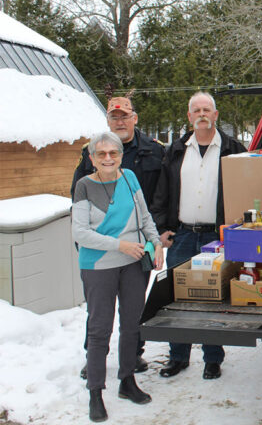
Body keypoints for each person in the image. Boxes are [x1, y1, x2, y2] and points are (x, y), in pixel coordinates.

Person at [151, 91, 246, 380]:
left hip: (215, 238)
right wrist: (161, 228)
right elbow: (161, 194)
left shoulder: (233, 149)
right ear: (189, 116)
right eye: (196, 110)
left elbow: (242, 190)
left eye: (207, 109)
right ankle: (178, 357)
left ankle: (213, 359)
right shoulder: (176, 150)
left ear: (216, 115)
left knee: (212, 299)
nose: (202, 114)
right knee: (178, 298)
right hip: (181, 236)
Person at [71, 131, 164, 422]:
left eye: (114, 153)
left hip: (134, 263)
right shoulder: (84, 186)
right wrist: (120, 245)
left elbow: (145, 216)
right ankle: (95, 392)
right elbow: (80, 233)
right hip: (99, 265)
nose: (108, 158)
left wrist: (156, 242)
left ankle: (127, 381)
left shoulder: (130, 178)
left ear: (121, 156)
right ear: (91, 159)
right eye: (101, 154)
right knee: (99, 331)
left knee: (132, 325)